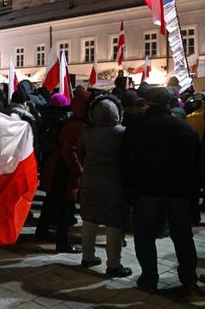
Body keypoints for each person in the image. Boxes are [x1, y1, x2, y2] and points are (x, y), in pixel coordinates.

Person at [121, 87, 200, 294]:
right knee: (183, 237)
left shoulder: (137, 128)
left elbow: (127, 161)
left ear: (147, 103)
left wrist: (129, 188)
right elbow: (196, 164)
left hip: (147, 190)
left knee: (145, 236)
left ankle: (149, 277)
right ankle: (189, 278)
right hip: (178, 191)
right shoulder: (185, 128)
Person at [77, 95, 132, 277]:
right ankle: (114, 265)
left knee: (89, 219)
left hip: (90, 181)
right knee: (114, 223)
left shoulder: (86, 133)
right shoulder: (123, 133)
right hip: (115, 183)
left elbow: (81, 154)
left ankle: (87, 256)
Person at [36, 90, 90, 253]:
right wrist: (79, 170)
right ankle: (63, 241)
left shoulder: (66, 119)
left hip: (54, 164)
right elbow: (69, 151)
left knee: (52, 200)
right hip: (64, 169)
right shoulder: (76, 124)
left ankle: (42, 230)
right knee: (66, 206)